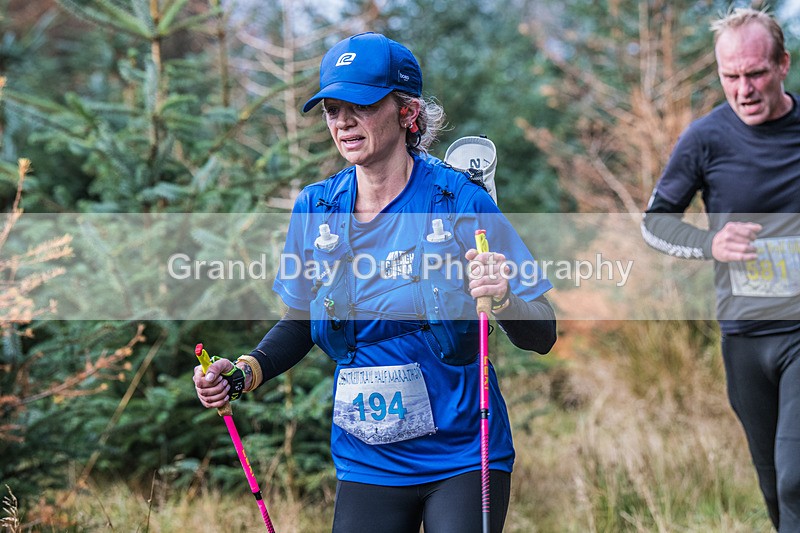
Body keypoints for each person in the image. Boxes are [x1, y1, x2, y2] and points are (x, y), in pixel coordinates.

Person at [193, 31, 556, 532]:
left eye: (359, 105)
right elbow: (301, 322)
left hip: (464, 456)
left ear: (407, 113)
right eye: (331, 109)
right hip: (368, 462)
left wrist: (504, 298)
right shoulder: (316, 209)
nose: (343, 122)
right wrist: (243, 373)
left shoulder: (461, 202)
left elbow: (543, 333)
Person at [641, 8, 800, 531]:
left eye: (754, 73)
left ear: (783, 65)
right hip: (745, 335)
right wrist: (714, 243)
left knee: (796, 476)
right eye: (730, 76)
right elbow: (656, 223)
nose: (743, 89)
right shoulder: (706, 138)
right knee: (774, 485)